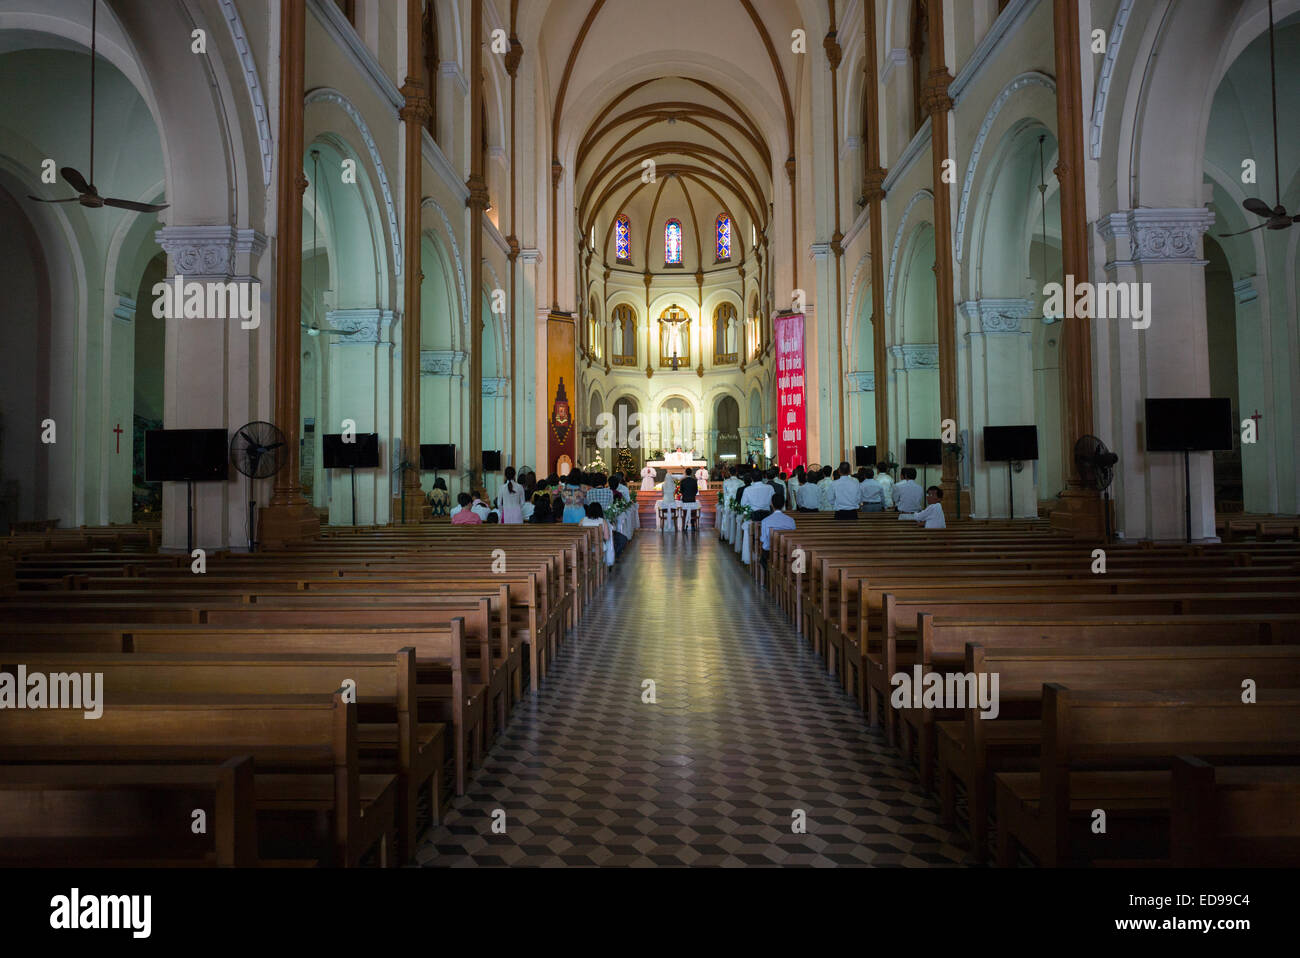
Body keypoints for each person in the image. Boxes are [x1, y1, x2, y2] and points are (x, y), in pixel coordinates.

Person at [759, 490, 796, 569]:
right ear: (783, 505)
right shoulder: (791, 520)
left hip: (770, 552)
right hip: (788, 552)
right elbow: (793, 537)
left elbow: (763, 540)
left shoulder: (765, 521)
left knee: (763, 557)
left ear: (771, 504)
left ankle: (766, 578)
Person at [581, 502, 615, 567]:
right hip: (598, 547)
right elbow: (607, 538)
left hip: (585, 547)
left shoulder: (582, 520)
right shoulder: (602, 521)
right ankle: (601, 568)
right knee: (603, 545)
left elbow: (579, 534)